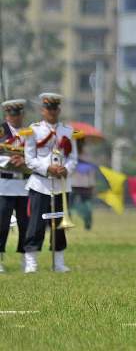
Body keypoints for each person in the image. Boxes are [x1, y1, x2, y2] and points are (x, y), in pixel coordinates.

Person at [22, 93, 78, 273]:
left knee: (60, 224)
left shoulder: (68, 131)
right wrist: (48, 168)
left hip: (61, 184)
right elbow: (29, 159)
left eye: (55, 108)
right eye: (48, 108)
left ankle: (59, 262)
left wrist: (66, 169)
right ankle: (32, 263)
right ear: (42, 110)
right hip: (41, 184)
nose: (52, 112)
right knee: (36, 224)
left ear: (59, 110)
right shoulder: (34, 130)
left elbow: (73, 158)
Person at [1, 99, 30, 272]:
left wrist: (24, 160)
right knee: (2, 224)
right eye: (12, 114)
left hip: (24, 184)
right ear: (7, 115)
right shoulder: (1, 131)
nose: (16, 117)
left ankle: (25, 259)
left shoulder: (29, 133)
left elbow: (37, 154)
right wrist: (8, 161)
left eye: (18, 113)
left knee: (25, 224)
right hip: (4, 184)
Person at [69, 147, 97, 231]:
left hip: (83, 188)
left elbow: (92, 179)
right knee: (69, 207)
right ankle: (68, 223)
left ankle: (87, 224)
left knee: (86, 207)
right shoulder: (73, 163)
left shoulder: (73, 162)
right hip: (76, 187)